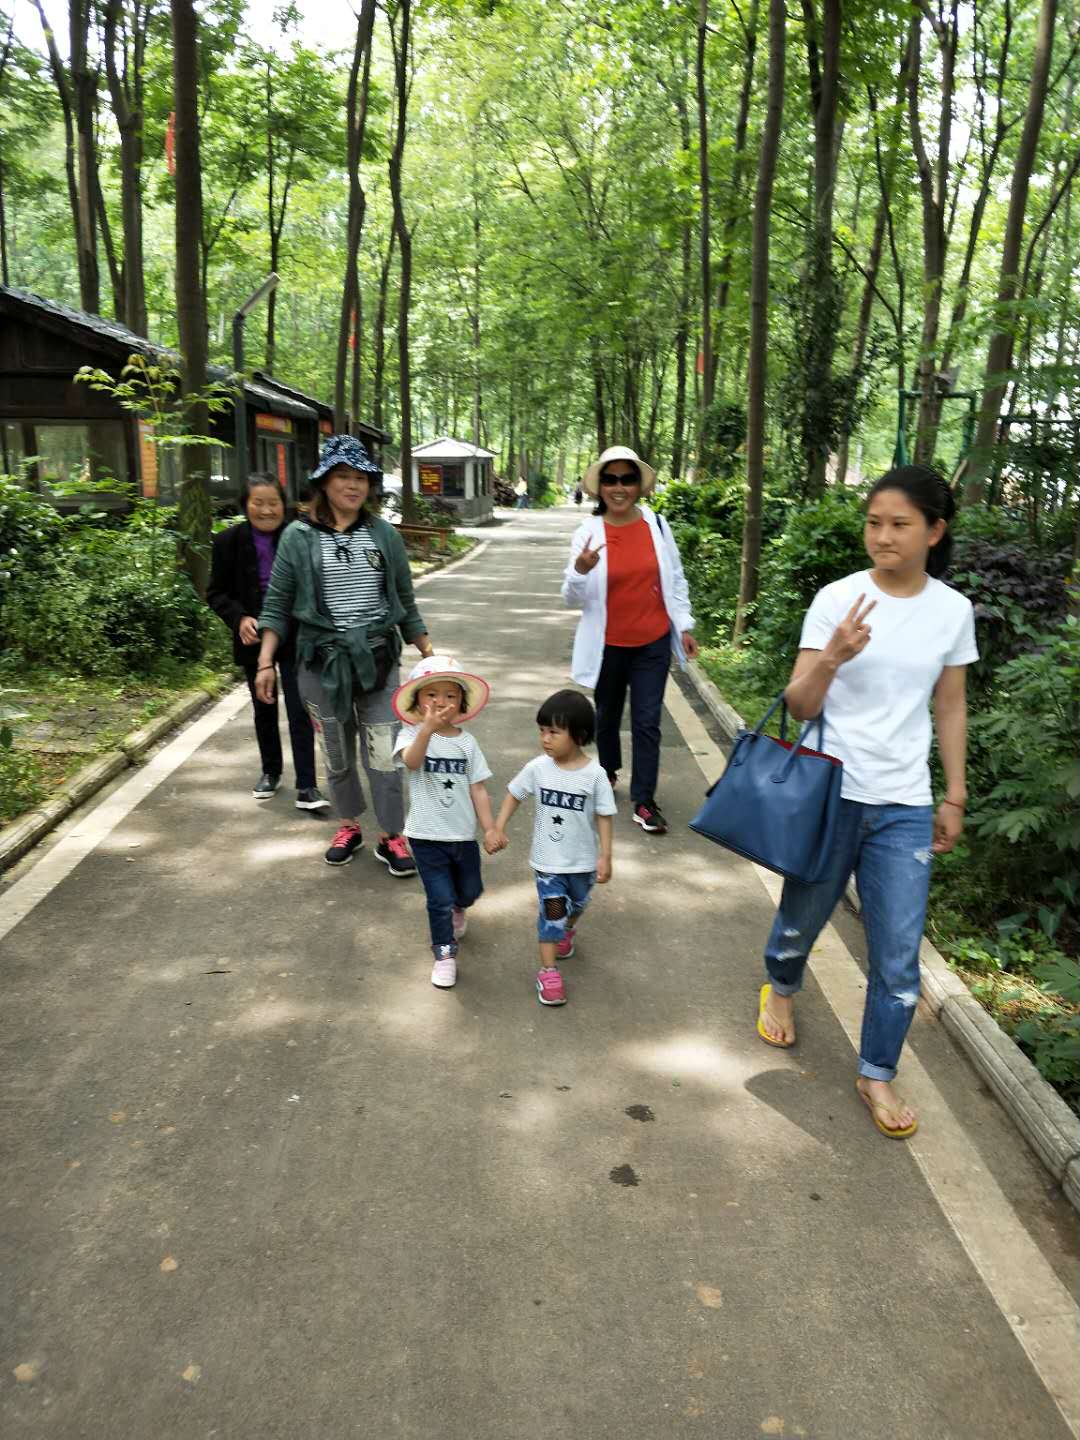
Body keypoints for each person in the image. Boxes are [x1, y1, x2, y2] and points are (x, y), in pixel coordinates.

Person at [757, 465, 977, 1140]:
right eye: (874, 522)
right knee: (800, 919)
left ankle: (876, 1070)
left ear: (934, 532)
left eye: (899, 524)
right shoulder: (837, 600)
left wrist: (955, 794)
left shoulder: (952, 611)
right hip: (830, 793)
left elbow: (950, 704)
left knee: (899, 956)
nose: (882, 536)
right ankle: (781, 987)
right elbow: (799, 704)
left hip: (904, 804)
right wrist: (833, 656)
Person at [255, 434, 435, 878]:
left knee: (384, 753)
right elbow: (277, 603)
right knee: (335, 750)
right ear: (324, 482)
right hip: (320, 663)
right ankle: (349, 824)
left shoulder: (384, 535)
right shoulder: (297, 537)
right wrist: (265, 662)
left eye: (361, 478)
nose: (353, 485)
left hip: (377, 660)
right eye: (343, 476)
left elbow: (405, 602)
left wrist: (430, 656)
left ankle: (392, 835)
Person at [561, 444, 698, 836]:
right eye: (610, 479)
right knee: (606, 715)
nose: (618, 487)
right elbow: (571, 598)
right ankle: (607, 771)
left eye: (627, 479)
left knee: (647, 721)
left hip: (652, 641)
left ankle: (644, 800)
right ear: (600, 486)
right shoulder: (588, 533)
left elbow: (675, 579)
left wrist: (684, 626)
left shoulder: (656, 525)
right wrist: (580, 570)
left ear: (639, 485)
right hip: (607, 644)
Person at [206, 474, 327, 810]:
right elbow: (215, 592)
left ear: (283, 505)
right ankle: (270, 771)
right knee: (264, 706)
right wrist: (239, 618)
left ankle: (307, 784)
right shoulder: (228, 541)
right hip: (254, 635)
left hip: (296, 634)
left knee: (300, 708)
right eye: (258, 503)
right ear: (245, 505)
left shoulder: (299, 536)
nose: (266, 510)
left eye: (273, 503)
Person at [490, 690, 615, 1007]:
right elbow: (515, 793)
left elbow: (604, 815)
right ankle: (548, 972)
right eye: (542, 731)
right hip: (548, 864)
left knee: (578, 904)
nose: (545, 739)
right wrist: (498, 827)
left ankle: (568, 929)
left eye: (554, 732)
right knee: (553, 913)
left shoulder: (595, 775)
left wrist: (605, 856)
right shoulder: (538, 768)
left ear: (579, 735)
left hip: (583, 863)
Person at [393, 655, 501, 990]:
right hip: (425, 836)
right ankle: (444, 955)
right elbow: (412, 763)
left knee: (470, 890)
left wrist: (490, 828)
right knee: (437, 899)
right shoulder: (411, 735)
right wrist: (426, 730)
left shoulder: (467, 743)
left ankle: (460, 905)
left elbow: (478, 788)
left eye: (450, 695)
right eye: (431, 694)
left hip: (462, 836)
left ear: (461, 704)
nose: (441, 702)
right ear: (417, 701)